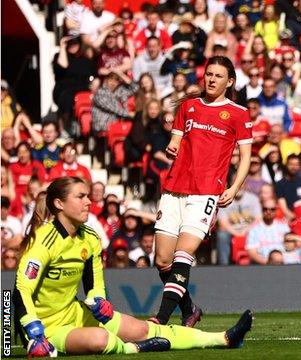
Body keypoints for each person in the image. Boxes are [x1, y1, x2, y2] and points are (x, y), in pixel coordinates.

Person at [13, 177, 253, 357]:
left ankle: (224, 339)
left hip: (75, 314)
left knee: (144, 328)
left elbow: (94, 284)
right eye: (80, 197)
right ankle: (132, 349)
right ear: (59, 204)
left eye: (88, 195)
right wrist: (33, 329)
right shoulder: (42, 241)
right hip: (46, 328)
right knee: (101, 339)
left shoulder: (91, 238)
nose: (89, 202)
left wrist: (98, 301)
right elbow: (20, 290)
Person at [151, 56, 253, 326]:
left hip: (206, 192)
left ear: (229, 81)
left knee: (184, 254)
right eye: (209, 74)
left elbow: (245, 157)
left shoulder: (238, 113)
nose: (211, 79)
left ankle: (161, 318)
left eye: (218, 76)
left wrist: (234, 186)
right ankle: (189, 310)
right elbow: (176, 139)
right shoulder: (188, 107)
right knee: (162, 261)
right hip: (174, 187)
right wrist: (173, 147)